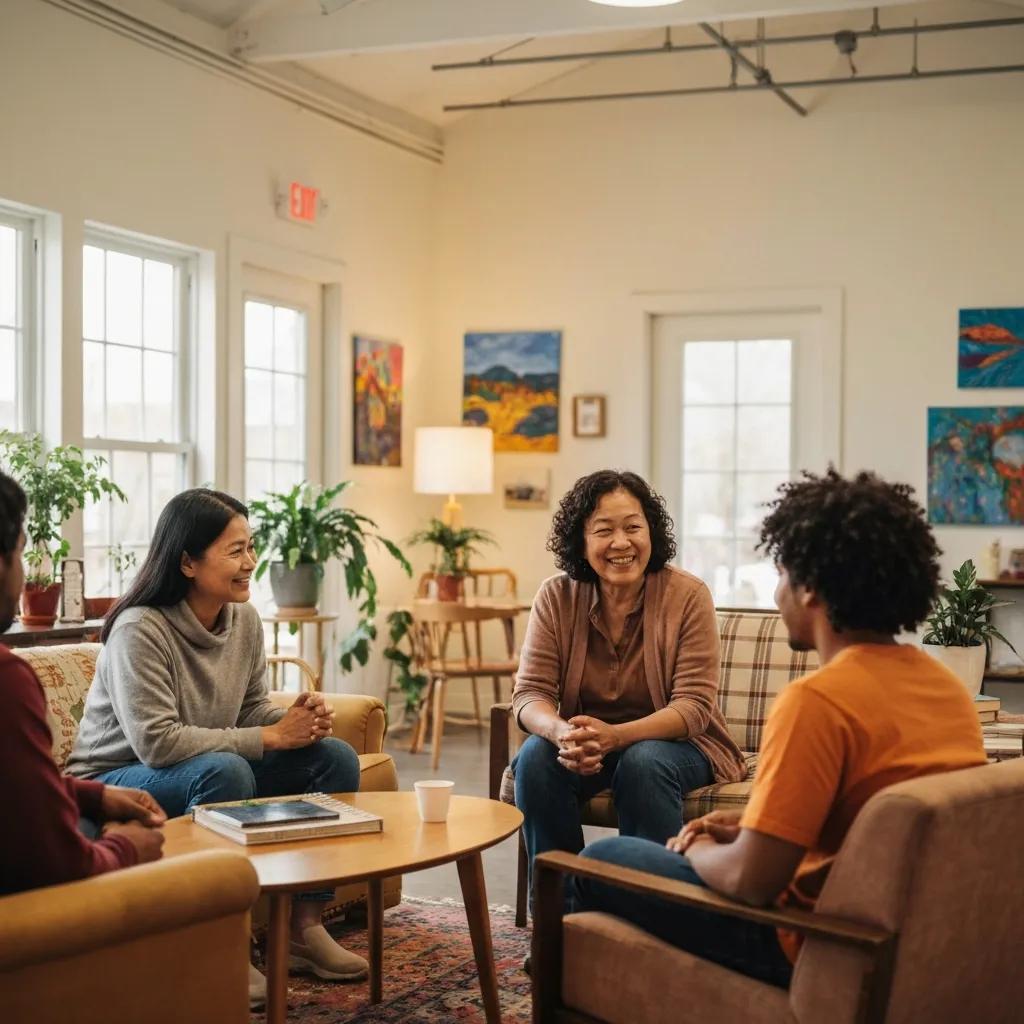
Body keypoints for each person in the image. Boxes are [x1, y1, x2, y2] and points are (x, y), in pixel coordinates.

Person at [573, 469, 988, 987]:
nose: (776, 593)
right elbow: (860, 821)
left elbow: (751, 880)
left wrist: (696, 846)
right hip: (906, 930)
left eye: (781, 573)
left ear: (810, 588)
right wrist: (745, 831)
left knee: (600, 858)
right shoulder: (947, 689)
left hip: (801, 938)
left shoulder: (816, 702)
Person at [65, 488, 366, 1003]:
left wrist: (296, 720)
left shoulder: (244, 620)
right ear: (186, 561)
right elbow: (157, 743)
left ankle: (303, 926)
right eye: (235, 551)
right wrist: (271, 736)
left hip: (200, 764)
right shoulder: (140, 630)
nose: (250, 562)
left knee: (333, 759)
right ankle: (221, 944)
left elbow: (248, 712)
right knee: (226, 773)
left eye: (251, 547)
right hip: (114, 776)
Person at [512, 470, 746, 910]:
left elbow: (694, 708)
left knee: (643, 761)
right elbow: (528, 695)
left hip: (681, 745)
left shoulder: (688, 596)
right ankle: (560, 923)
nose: (622, 543)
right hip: (587, 743)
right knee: (536, 758)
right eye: (604, 530)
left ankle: (646, 917)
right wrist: (562, 733)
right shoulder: (556, 596)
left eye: (633, 527)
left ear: (651, 531)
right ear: (580, 541)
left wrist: (617, 736)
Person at [0, 470, 165, 894]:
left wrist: (92, 795)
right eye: (20, 554)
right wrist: (127, 849)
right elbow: (57, 864)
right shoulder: (8, 680)